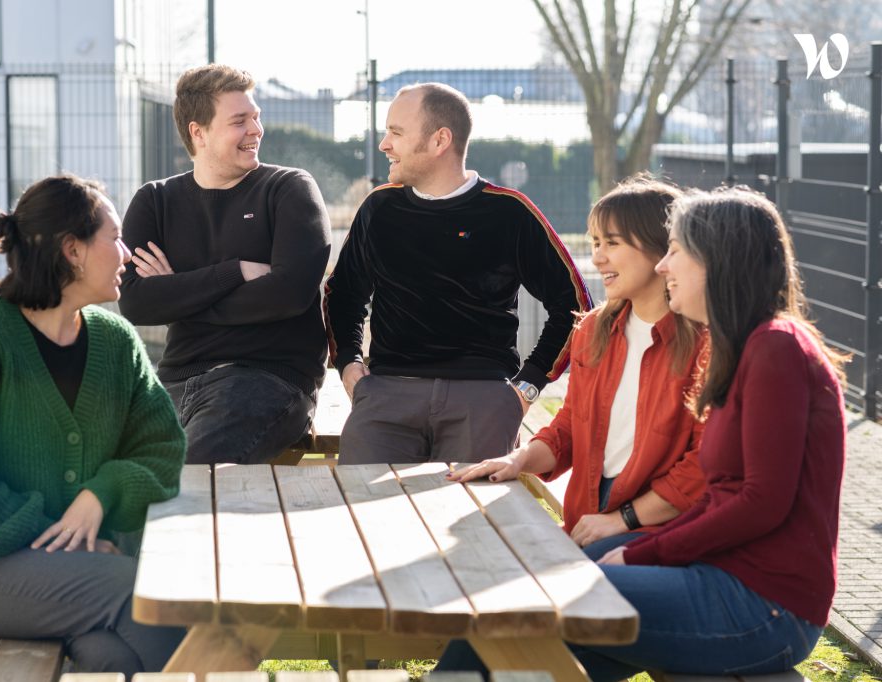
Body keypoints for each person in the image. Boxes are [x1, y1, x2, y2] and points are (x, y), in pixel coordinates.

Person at [442, 186, 847, 680]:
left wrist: (640, 545)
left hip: (763, 605)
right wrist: (634, 547)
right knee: (519, 657)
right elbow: (724, 499)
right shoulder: (741, 346)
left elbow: (760, 501)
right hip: (715, 575)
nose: (664, 266)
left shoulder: (775, 348)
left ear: (717, 259)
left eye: (676, 250)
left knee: (529, 596)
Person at [0, 174, 186, 675]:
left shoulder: (116, 342)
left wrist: (100, 495)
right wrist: (63, 537)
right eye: (115, 238)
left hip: (82, 573)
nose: (126, 254)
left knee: (108, 656)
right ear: (72, 250)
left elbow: (163, 450)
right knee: (146, 591)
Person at [324, 83, 591, 464]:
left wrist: (527, 387)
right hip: (385, 397)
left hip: (482, 402)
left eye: (396, 133)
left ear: (439, 140)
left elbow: (576, 306)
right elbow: (344, 293)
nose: (384, 144)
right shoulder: (379, 208)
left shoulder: (510, 212)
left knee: (473, 522)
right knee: (356, 511)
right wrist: (349, 362)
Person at [446, 175, 707, 560]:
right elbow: (571, 425)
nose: (598, 257)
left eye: (612, 244)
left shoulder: (706, 344)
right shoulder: (592, 329)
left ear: (662, 250)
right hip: (591, 512)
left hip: (660, 524)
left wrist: (625, 518)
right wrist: (517, 459)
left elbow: (702, 466)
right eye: (596, 243)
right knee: (482, 554)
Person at [118, 64, 331, 464]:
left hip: (265, 379)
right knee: (115, 471)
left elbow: (289, 294)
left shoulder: (288, 189)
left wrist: (180, 292)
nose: (256, 130)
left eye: (256, 117)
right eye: (239, 121)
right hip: (175, 380)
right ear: (198, 132)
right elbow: (135, 303)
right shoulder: (156, 201)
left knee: (188, 476)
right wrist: (233, 273)